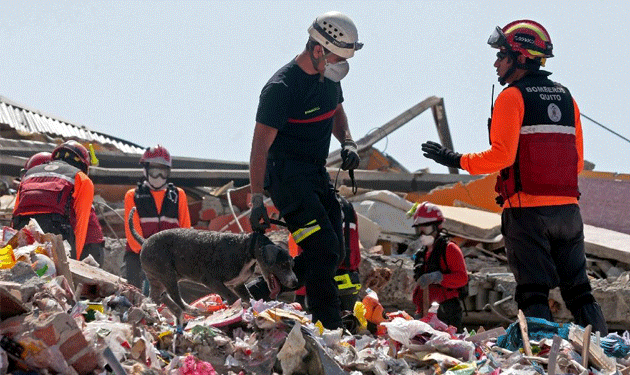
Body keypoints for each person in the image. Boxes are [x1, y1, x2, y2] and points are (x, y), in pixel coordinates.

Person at [420, 20, 607, 334]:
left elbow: (501, 157)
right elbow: (576, 162)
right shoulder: (566, 97)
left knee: (533, 291)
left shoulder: (512, 97)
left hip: (527, 211)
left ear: (520, 58)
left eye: (501, 55)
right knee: (579, 290)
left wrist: (452, 158)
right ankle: (606, 351)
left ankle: (539, 355)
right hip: (568, 213)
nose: (496, 63)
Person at [248, 11, 362, 329]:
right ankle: (327, 325)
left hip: (316, 174)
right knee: (321, 246)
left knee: (335, 250)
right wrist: (257, 198)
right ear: (317, 49)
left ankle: (263, 285)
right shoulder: (281, 89)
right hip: (285, 178)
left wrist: (349, 142)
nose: (340, 65)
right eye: (337, 57)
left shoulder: (328, 80)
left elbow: (336, 112)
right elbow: (258, 149)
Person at [123, 145, 191, 289]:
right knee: (133, 291)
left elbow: (186, 231)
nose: (158, 177)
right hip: (138, 255)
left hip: (171, 257)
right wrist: (151, 254)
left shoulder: (178, 195)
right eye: (154, 172)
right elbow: (132, 233)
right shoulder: (133, 195)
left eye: (163, 172)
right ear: (145, 170)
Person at [12, 142, 94, 260]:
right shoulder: (82, 178)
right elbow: (81, 225)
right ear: (82, 164)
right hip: (55, 232)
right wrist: (74, 259)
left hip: (23, 227)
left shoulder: (30, 173)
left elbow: (15, 211)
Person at [409, 202, 468, 331]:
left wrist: (439, 277)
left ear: (438, 226)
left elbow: (462, 278)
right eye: (419, 229)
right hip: (425, 310)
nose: (422, 233)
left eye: (426, 228)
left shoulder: (450, 249)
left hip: (446, 311)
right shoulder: (421, 254)